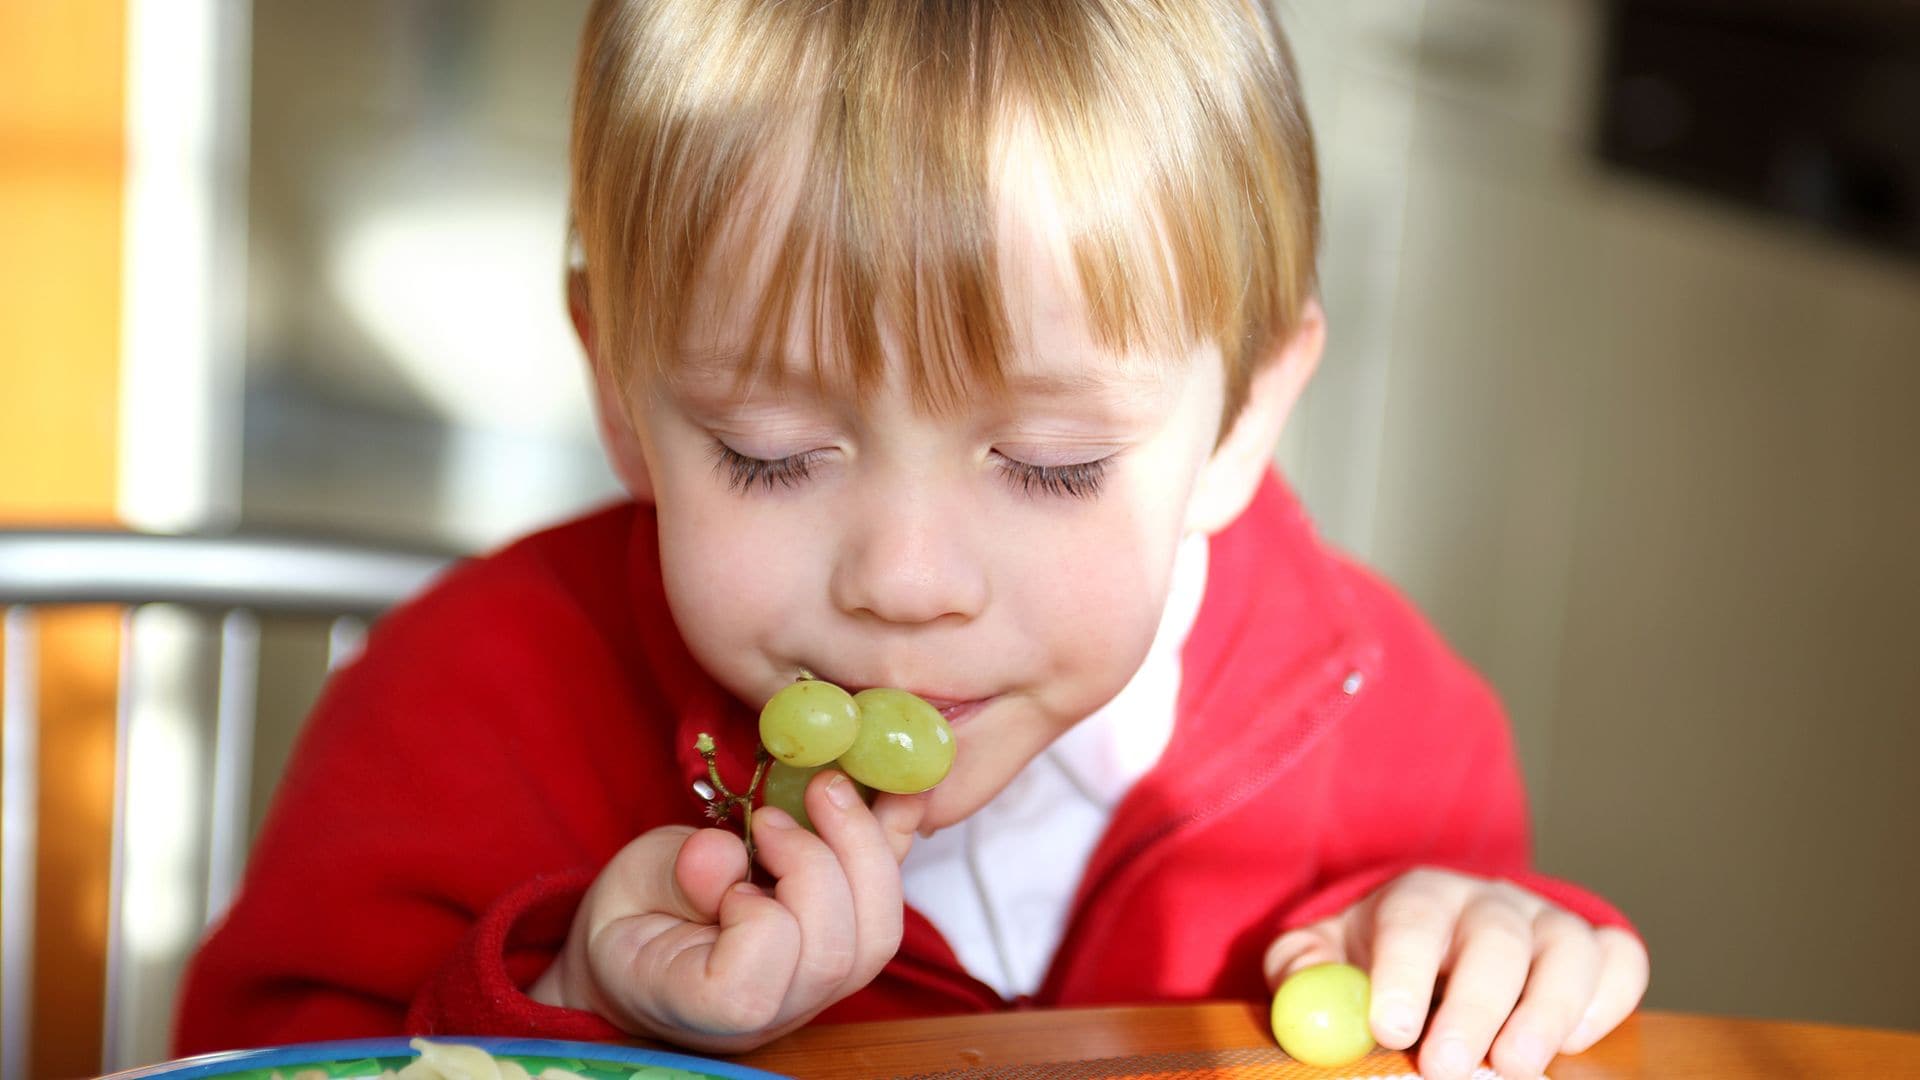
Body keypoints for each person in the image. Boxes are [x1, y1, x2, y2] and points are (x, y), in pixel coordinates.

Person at [175, 2, 1649, 1078]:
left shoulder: (1397, 735)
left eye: (1054, 467)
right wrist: (578, 1011)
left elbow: (1480, 1001)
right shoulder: (463, 702)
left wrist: (1486, 961)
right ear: (621, 398)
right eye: (770, 456)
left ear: (1244, 426)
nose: (902, 581)